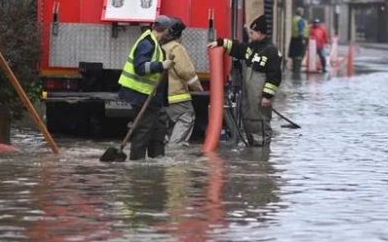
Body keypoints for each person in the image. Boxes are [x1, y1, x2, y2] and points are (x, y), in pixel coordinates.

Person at [209, 15, 281, 146]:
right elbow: (238, 48)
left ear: (260, 32)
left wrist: (267, 96)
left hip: (260, 96)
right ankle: (253, 151)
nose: (251, 35)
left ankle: (262, 155)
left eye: (252, 33)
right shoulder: (252, 47)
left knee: (259, 121)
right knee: (247, 119)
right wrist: (220, 43)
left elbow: (275, 76)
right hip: (248, 95)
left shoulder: (271, 51)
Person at [117, 15, 175, 160]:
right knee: (144, 129)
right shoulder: (147, 43)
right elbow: (140, 67)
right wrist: (161, 65)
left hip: (151, 97)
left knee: (158, 128)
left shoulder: (154, 43)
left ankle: (157, 160)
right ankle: (137, 163)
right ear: (166, 30)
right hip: (140, 94)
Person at [163, 18, 203, 148]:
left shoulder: (159, 47)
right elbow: (186, 72)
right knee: (186, 116)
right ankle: (174, 150)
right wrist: (198, 87)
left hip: (161, 96)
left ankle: (166, 149)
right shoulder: (176, 48)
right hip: (176, 96)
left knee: (169, 125)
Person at [288, 7, 309, 74]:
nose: (303, 13)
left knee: (294, 54)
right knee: (300, 53)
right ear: (300, 12)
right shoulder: (300, 20)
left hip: (293, 38)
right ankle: (297, 69)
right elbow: (301, 30)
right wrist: (303, 39)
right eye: (302, 12)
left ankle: (295, 68)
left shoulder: (293, 18)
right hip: (299, 39)